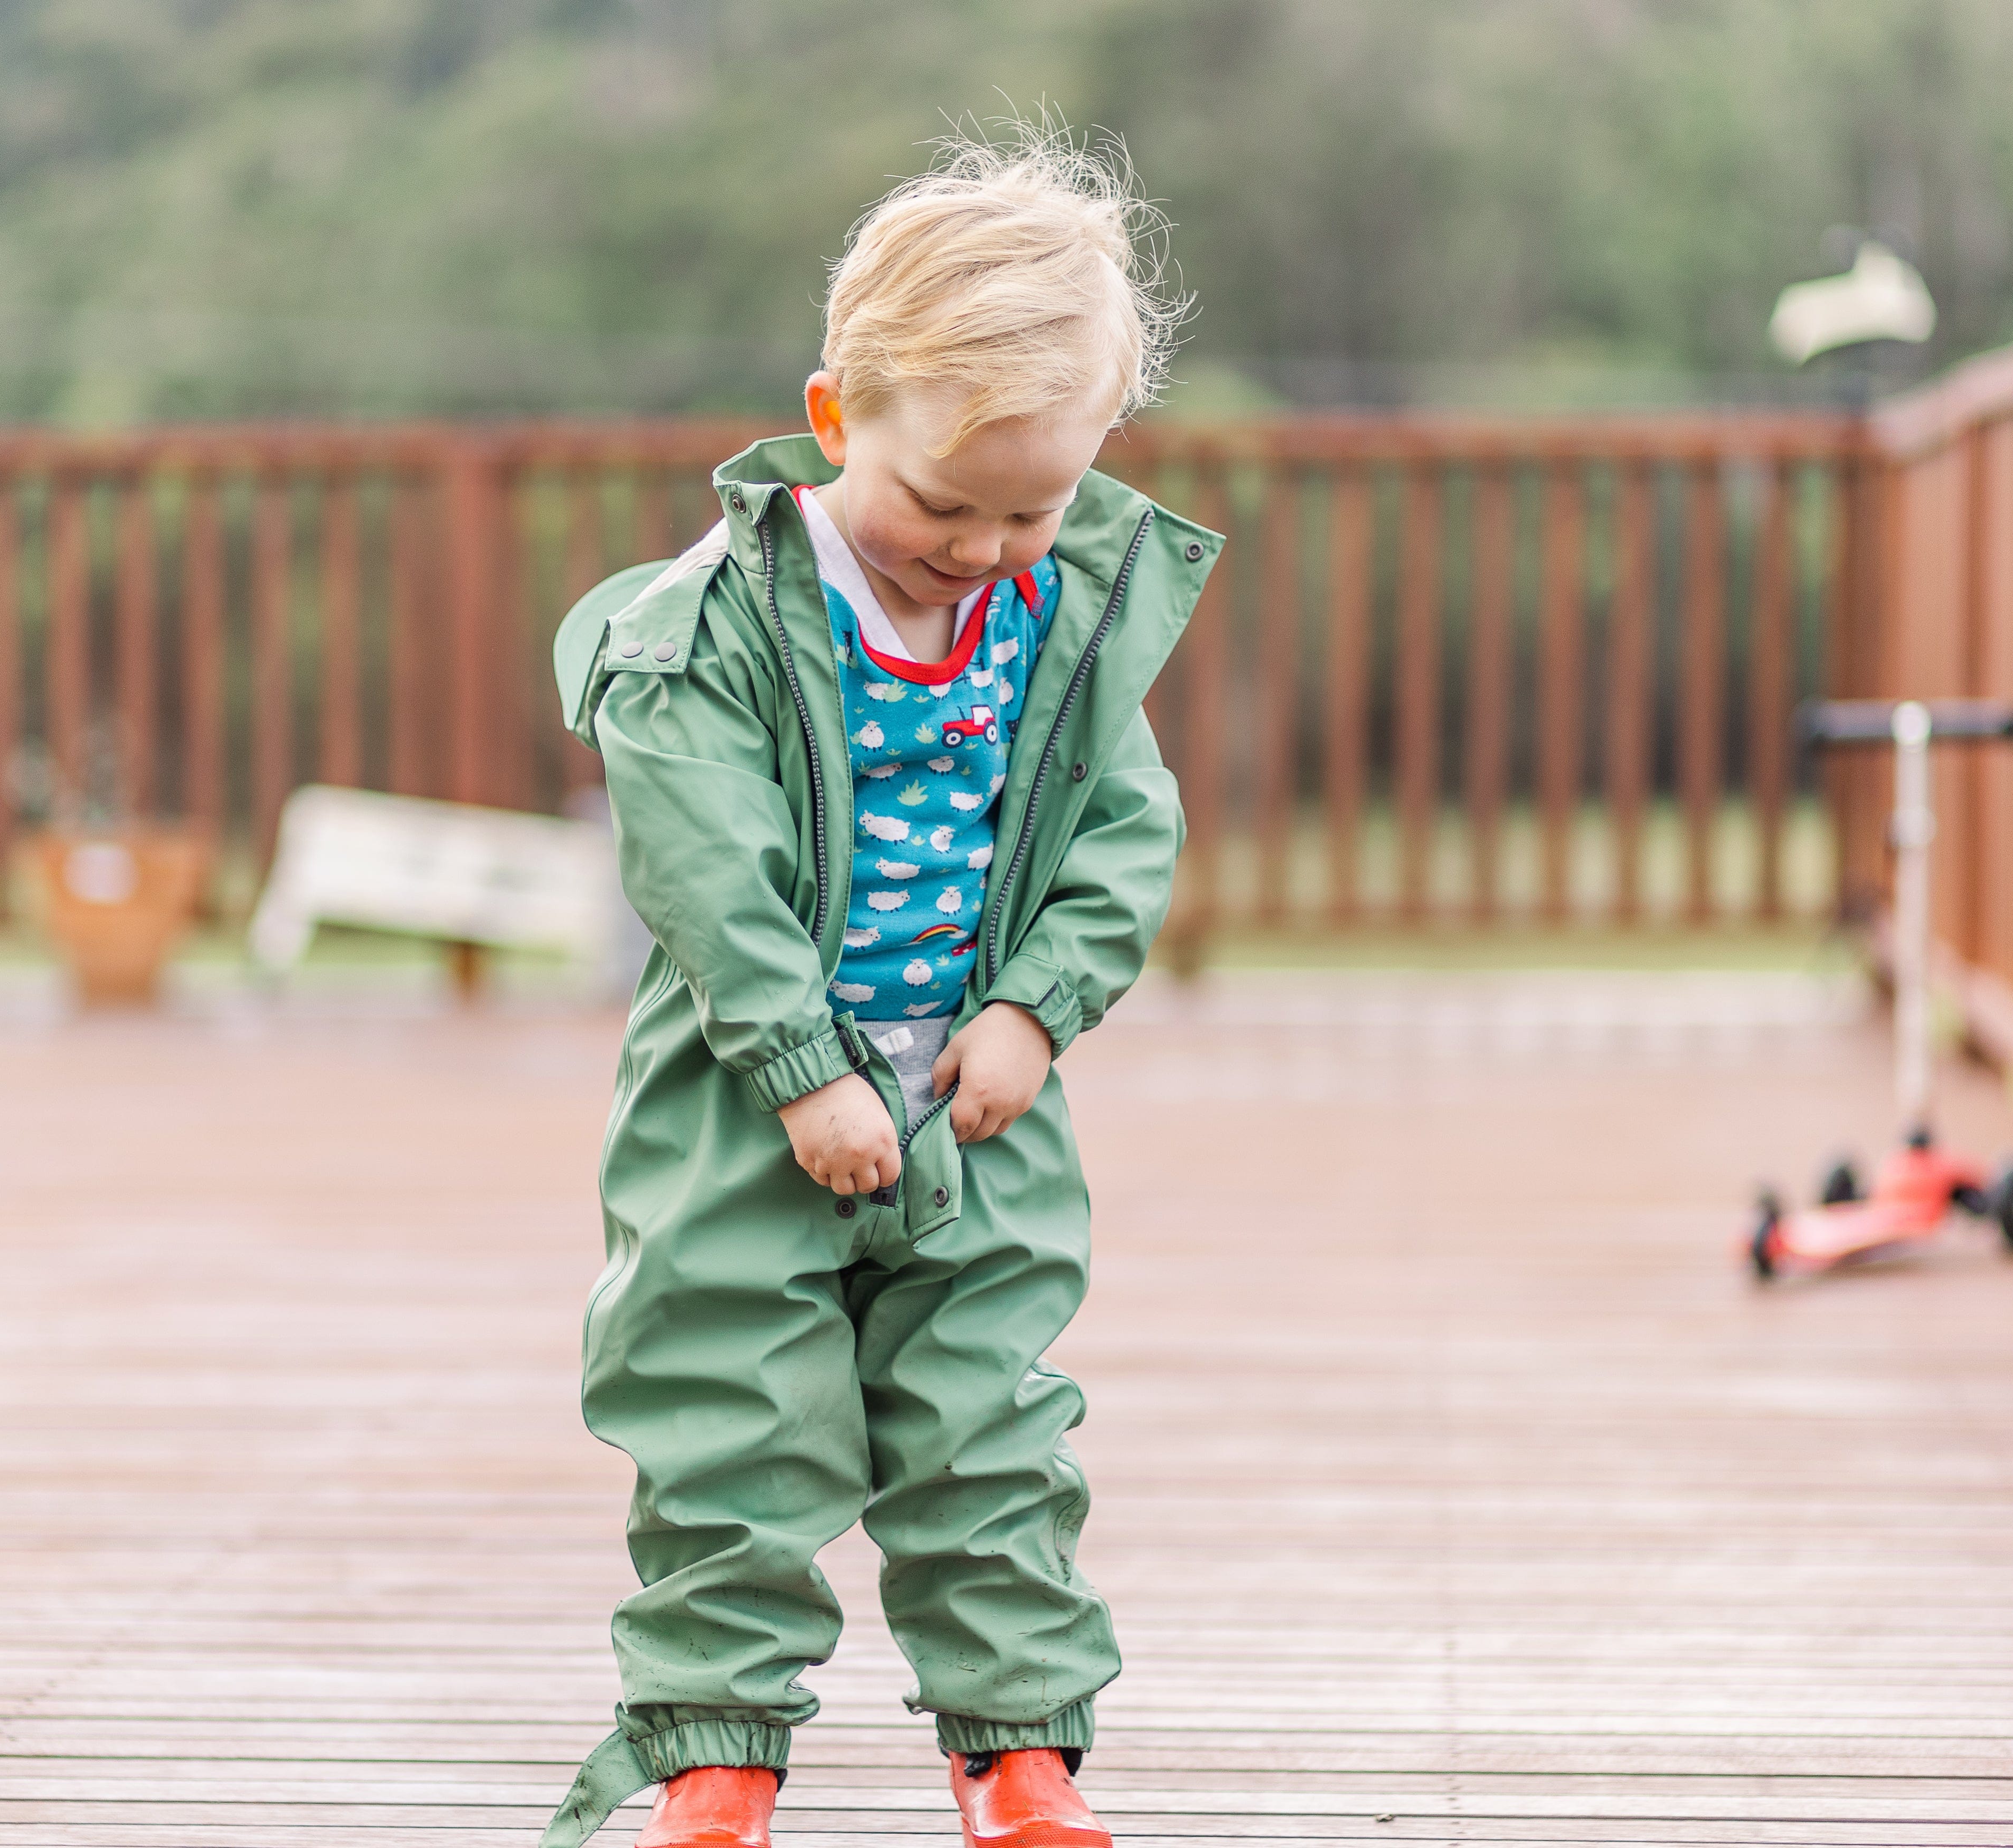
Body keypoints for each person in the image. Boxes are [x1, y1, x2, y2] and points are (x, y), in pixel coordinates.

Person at [545, 127, 1220, 1848]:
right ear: (838, 416)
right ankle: (717, 1758)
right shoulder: (715, 632)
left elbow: (1119, 835)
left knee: (986, 1429)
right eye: (946, 504)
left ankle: (1017, 1751)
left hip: (974, 1107)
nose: (989, 549)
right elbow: (707, 865)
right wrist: (795, 1060)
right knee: (731, 1425)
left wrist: (1034, 1009)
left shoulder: (1052, 621)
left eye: (1037, 508)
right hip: (750, 1102)